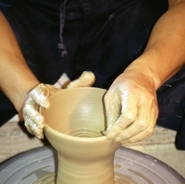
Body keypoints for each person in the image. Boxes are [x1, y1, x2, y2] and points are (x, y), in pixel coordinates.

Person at [0, 0, 185, 147]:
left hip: (122, 11)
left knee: (156, 88)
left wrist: (146, 74)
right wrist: (23, 92)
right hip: (26, 11)